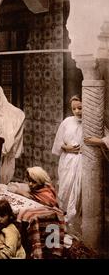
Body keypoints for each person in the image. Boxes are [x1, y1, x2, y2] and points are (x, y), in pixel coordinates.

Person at [52, 95, 82, 230]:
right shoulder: (67, 122)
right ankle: (63, 215)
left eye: (80, 108)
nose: (77, 111)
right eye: (74, 109)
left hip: (81, 161)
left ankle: (75, 219)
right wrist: (67, 148)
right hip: (67, 160)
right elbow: (59, 143)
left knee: (78, 191)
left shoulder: (92, 123)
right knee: (65, 187)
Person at [0, 85, 25, 184]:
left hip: (6, 140)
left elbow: (20, 115)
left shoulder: (9, 109)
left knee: (6, 163)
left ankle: (4, 183)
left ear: (1, 94)